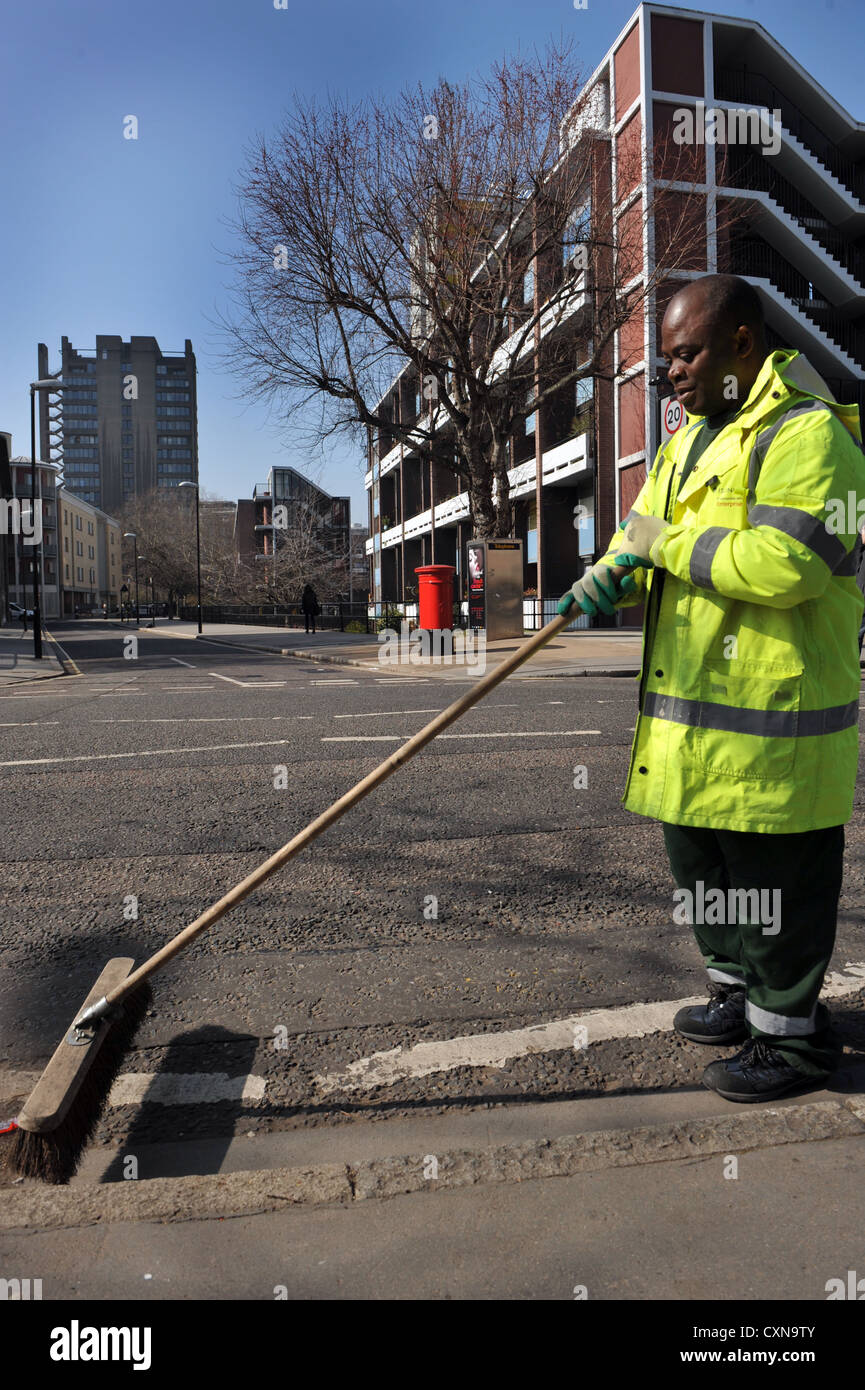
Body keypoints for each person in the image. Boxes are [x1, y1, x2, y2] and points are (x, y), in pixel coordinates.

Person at [559, 272, 865, 1102]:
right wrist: (606, 576)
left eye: (685, 353)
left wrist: (662, 548)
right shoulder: (687, 442)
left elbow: (790, 564)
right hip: (691, 731)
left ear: (741, 342)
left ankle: (792, 1044)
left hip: (776, 733)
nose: (671, 373)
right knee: (708, 880)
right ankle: (737, 997)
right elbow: (641, 533)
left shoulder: (808, 436)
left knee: (777, 892)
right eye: (664, 360)